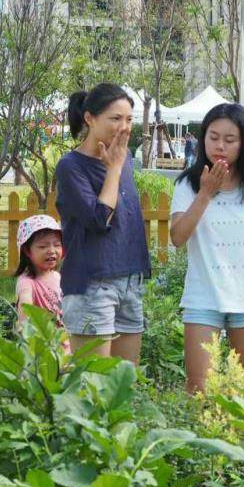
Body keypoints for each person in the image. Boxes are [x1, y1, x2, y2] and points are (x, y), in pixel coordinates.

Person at [170, 103, 244, 395]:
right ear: (202, 138)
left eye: (229, 140)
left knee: (243, 392)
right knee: (199, 390)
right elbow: (177, 237)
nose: (220, 145)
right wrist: (206, 193)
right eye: (213, 137)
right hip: (203, 298)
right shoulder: (187, 185)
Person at [56, 83, 151, 362]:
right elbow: (99, 219)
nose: (124, 127)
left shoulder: (125, 159)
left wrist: (118, 164)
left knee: (124, 384)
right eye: (115, 118)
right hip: (92, 284)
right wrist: (113, 169)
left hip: (130, 280)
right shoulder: (71, 166)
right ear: (89, 119)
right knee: (93, 387)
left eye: (129, 119)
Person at [14, 215, 67, 342]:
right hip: (42, 349)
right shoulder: (27, 282)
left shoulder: (58, 276)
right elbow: (25, 306)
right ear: (27, 251)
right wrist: (24, 327)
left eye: (57, 245)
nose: (52, 251)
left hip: (65, 345)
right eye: (43, 246)